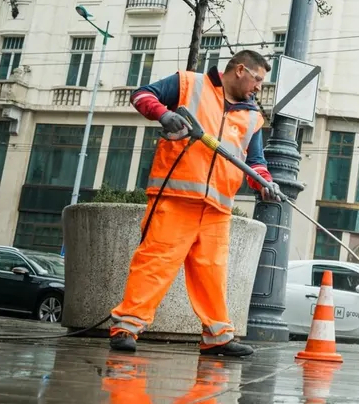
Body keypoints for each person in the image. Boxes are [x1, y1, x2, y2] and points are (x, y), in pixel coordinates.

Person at [109, 50, 284, 356]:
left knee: (212, 273)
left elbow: (255, 162)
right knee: (155, 264)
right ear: (240, 70)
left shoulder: (253, 117)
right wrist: (163, 114)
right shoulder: (189, 83)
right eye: (257, 79)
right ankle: (126, 326)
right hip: (176, 197)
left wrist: (264, 183)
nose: (259, 87)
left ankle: (218, 336)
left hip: (217, 208)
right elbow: (140, 95)